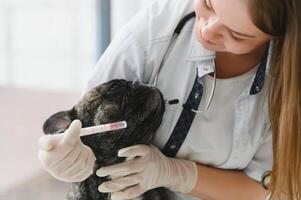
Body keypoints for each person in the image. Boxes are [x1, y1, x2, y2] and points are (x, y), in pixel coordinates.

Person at [38, 0, 301, 199]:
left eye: (237, 35)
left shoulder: (286, 83)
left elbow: (265, 188)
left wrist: (177, 173)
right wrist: (63, 155)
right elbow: (87, 118)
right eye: (209, 4)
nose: (207, 32)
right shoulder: (155, 29)